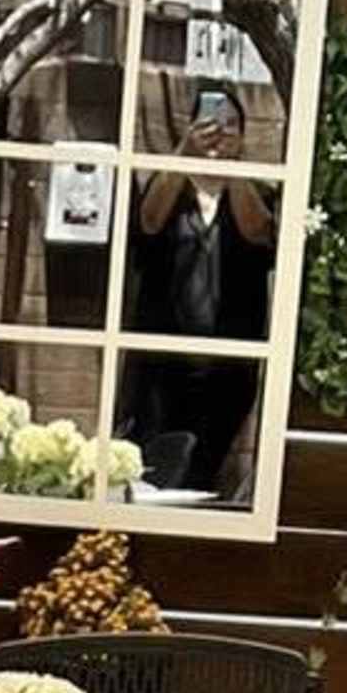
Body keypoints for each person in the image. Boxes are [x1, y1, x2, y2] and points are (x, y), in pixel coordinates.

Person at [119, 77, 275, 497]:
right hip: (161, 362)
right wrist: (185, 156)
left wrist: (232, 166)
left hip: (228, 363)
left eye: (230, 125)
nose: (218, 131)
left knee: (201, 471)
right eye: (208, 121)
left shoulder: (257, 189)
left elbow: (258, 232)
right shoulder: (169, 184)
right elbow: (148, 223)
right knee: (151, 466)